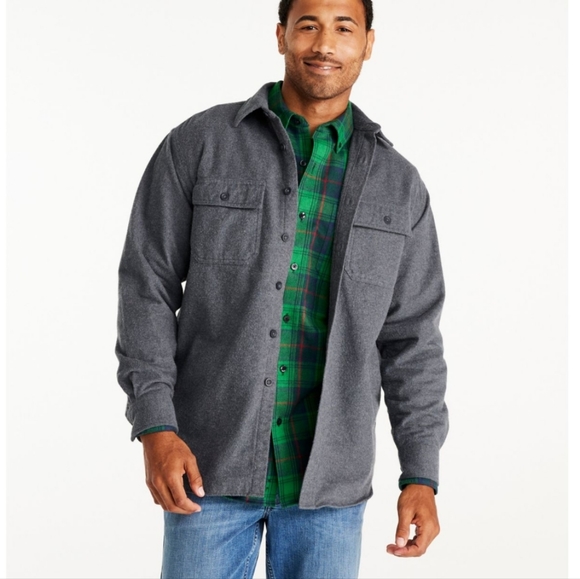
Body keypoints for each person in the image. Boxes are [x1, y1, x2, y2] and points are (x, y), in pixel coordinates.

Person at [115, 0, 449, 576]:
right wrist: (155, 427)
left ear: (368, 44)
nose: (324, 44)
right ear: (281, 35)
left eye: (344, 28)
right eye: (308, 26)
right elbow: (146, 287)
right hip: (205, 465)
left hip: (330, 486)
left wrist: (420, 473)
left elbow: (412, 339)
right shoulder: (200, 143)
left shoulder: (399, 185)